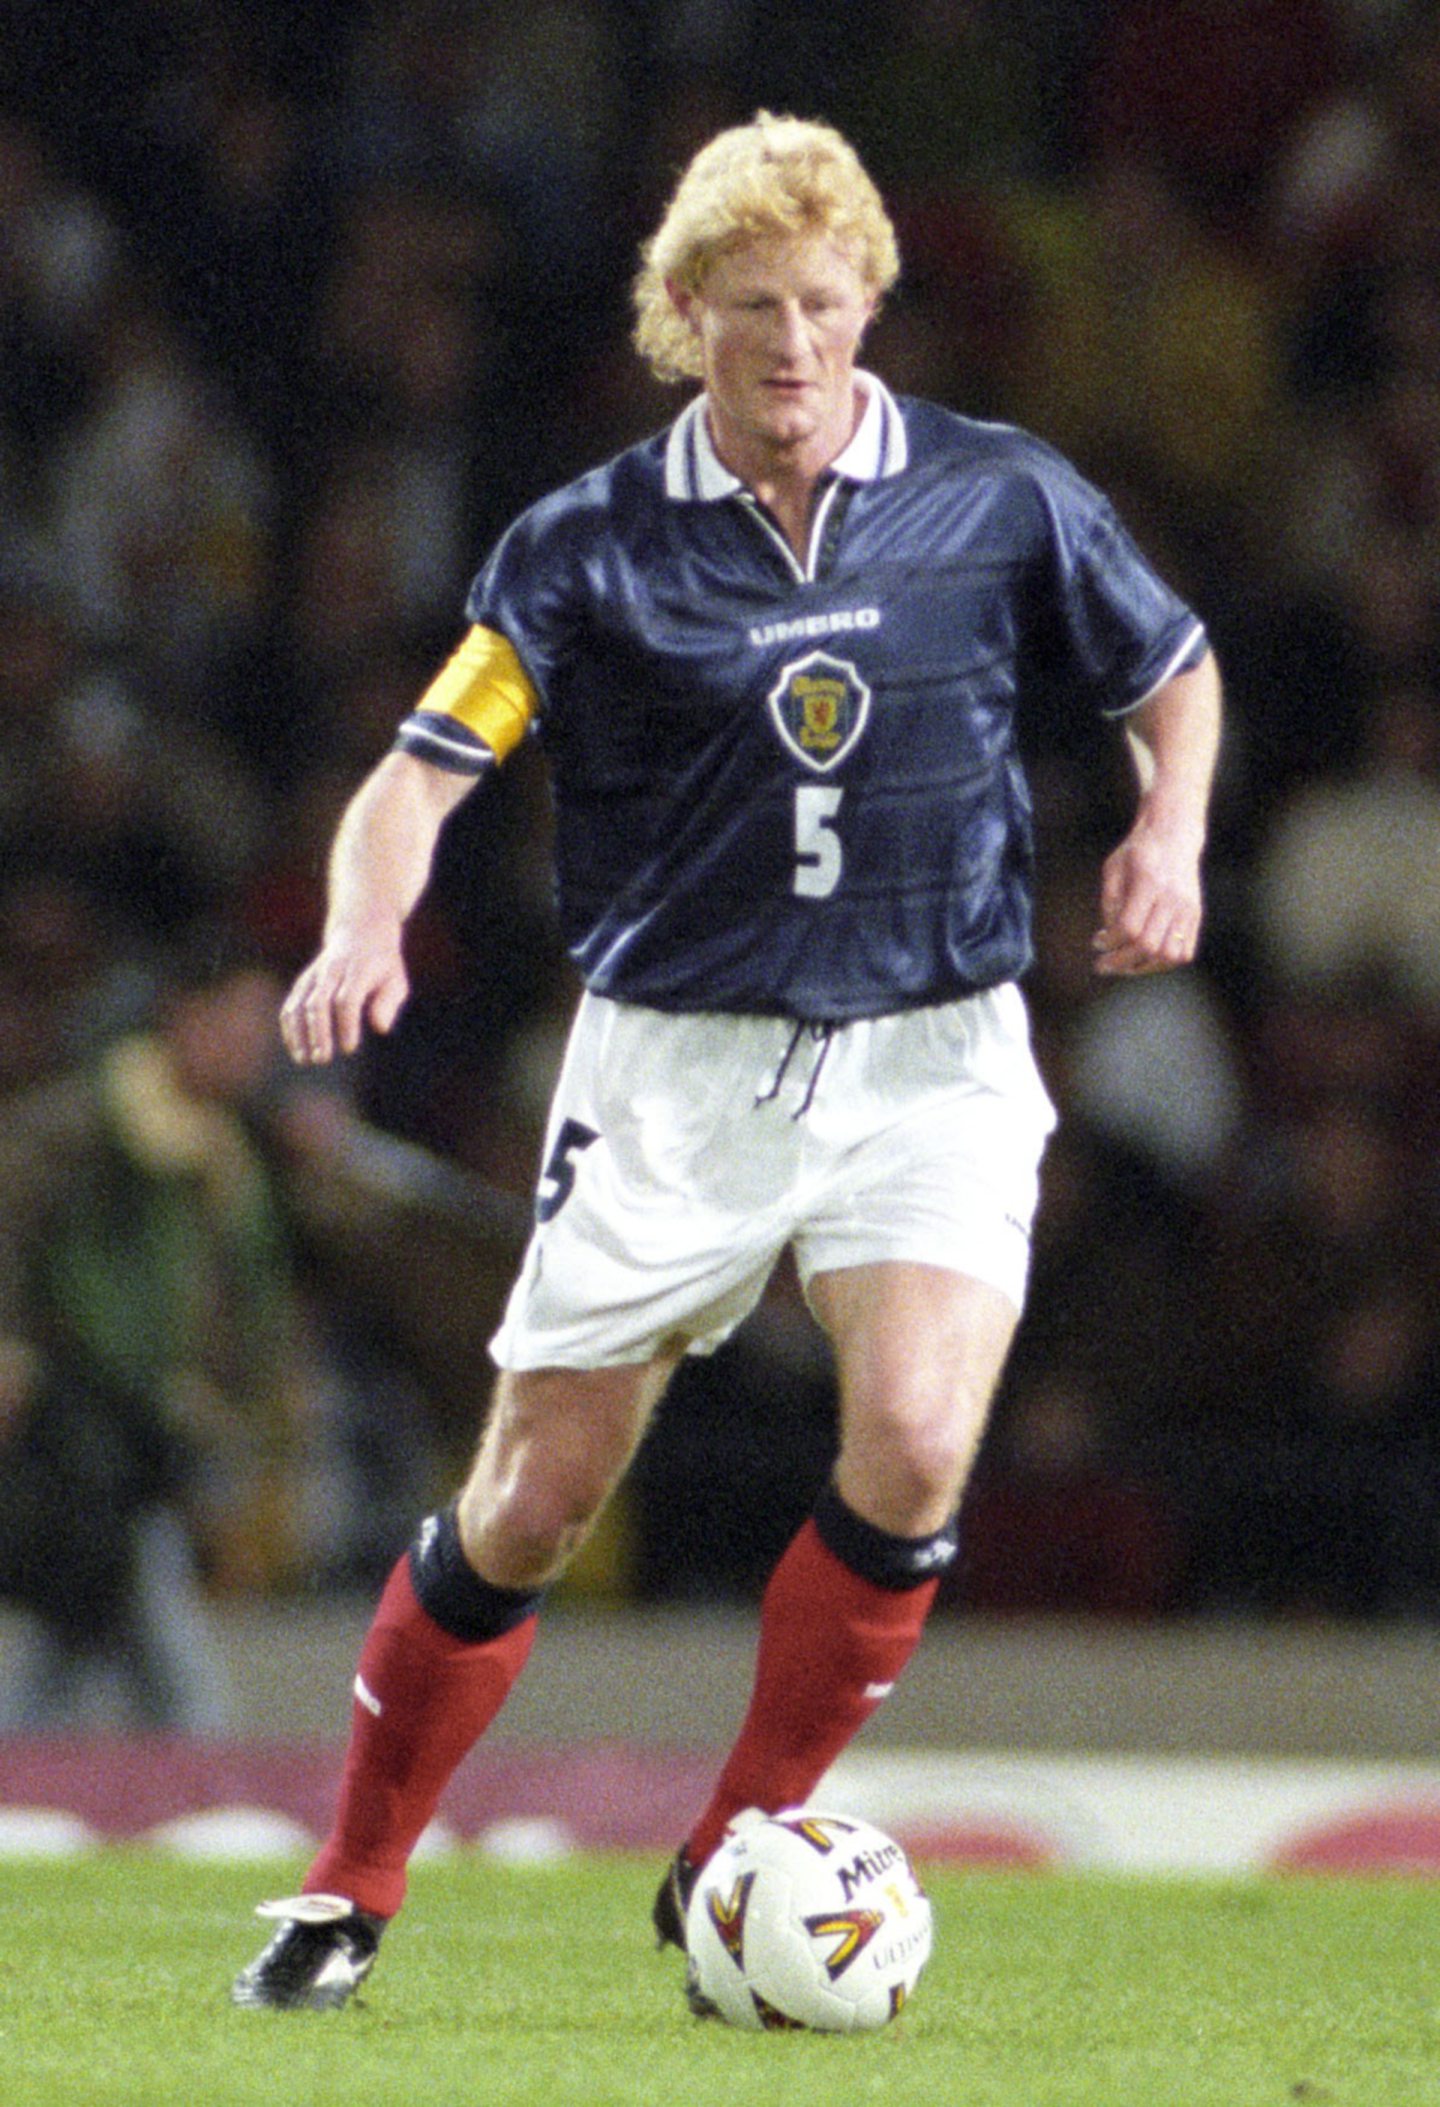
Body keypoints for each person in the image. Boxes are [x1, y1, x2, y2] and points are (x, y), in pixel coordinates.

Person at [231, 112, 1221, 2012]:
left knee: (922, 1442)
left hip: (929, 1050)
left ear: (873, 307)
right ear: (682, 316)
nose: (793, 343)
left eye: (826, 305)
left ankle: (728, 1854)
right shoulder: (589, 545)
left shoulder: (999, 496)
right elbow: (424, 771)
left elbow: (1169, 667)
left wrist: (1167, 828)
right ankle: (352, 1883)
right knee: (535, 1496)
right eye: (752, 307)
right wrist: (367, 925)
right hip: (678, 1066)